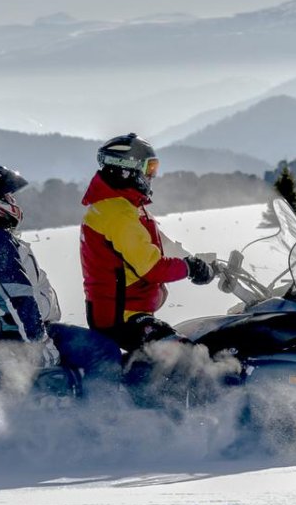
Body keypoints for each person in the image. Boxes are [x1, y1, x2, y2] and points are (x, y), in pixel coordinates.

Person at [0, 163, 123, 392]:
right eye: (4, 192)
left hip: (12, 335)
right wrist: (38, 343)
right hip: (21, 337)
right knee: (103, 350)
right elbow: (18, 297)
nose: (11, 199)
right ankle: (106, 417)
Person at [79, 132, 215, 353]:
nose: (152, 175)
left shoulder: (124, 207)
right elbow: (152, 268)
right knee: (189, 358)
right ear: (125, 169)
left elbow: (157, 245)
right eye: (149, 168)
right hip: (122, 318)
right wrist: (189, 268)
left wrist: (198, 263)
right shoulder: (116, 215)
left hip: (127, 313)